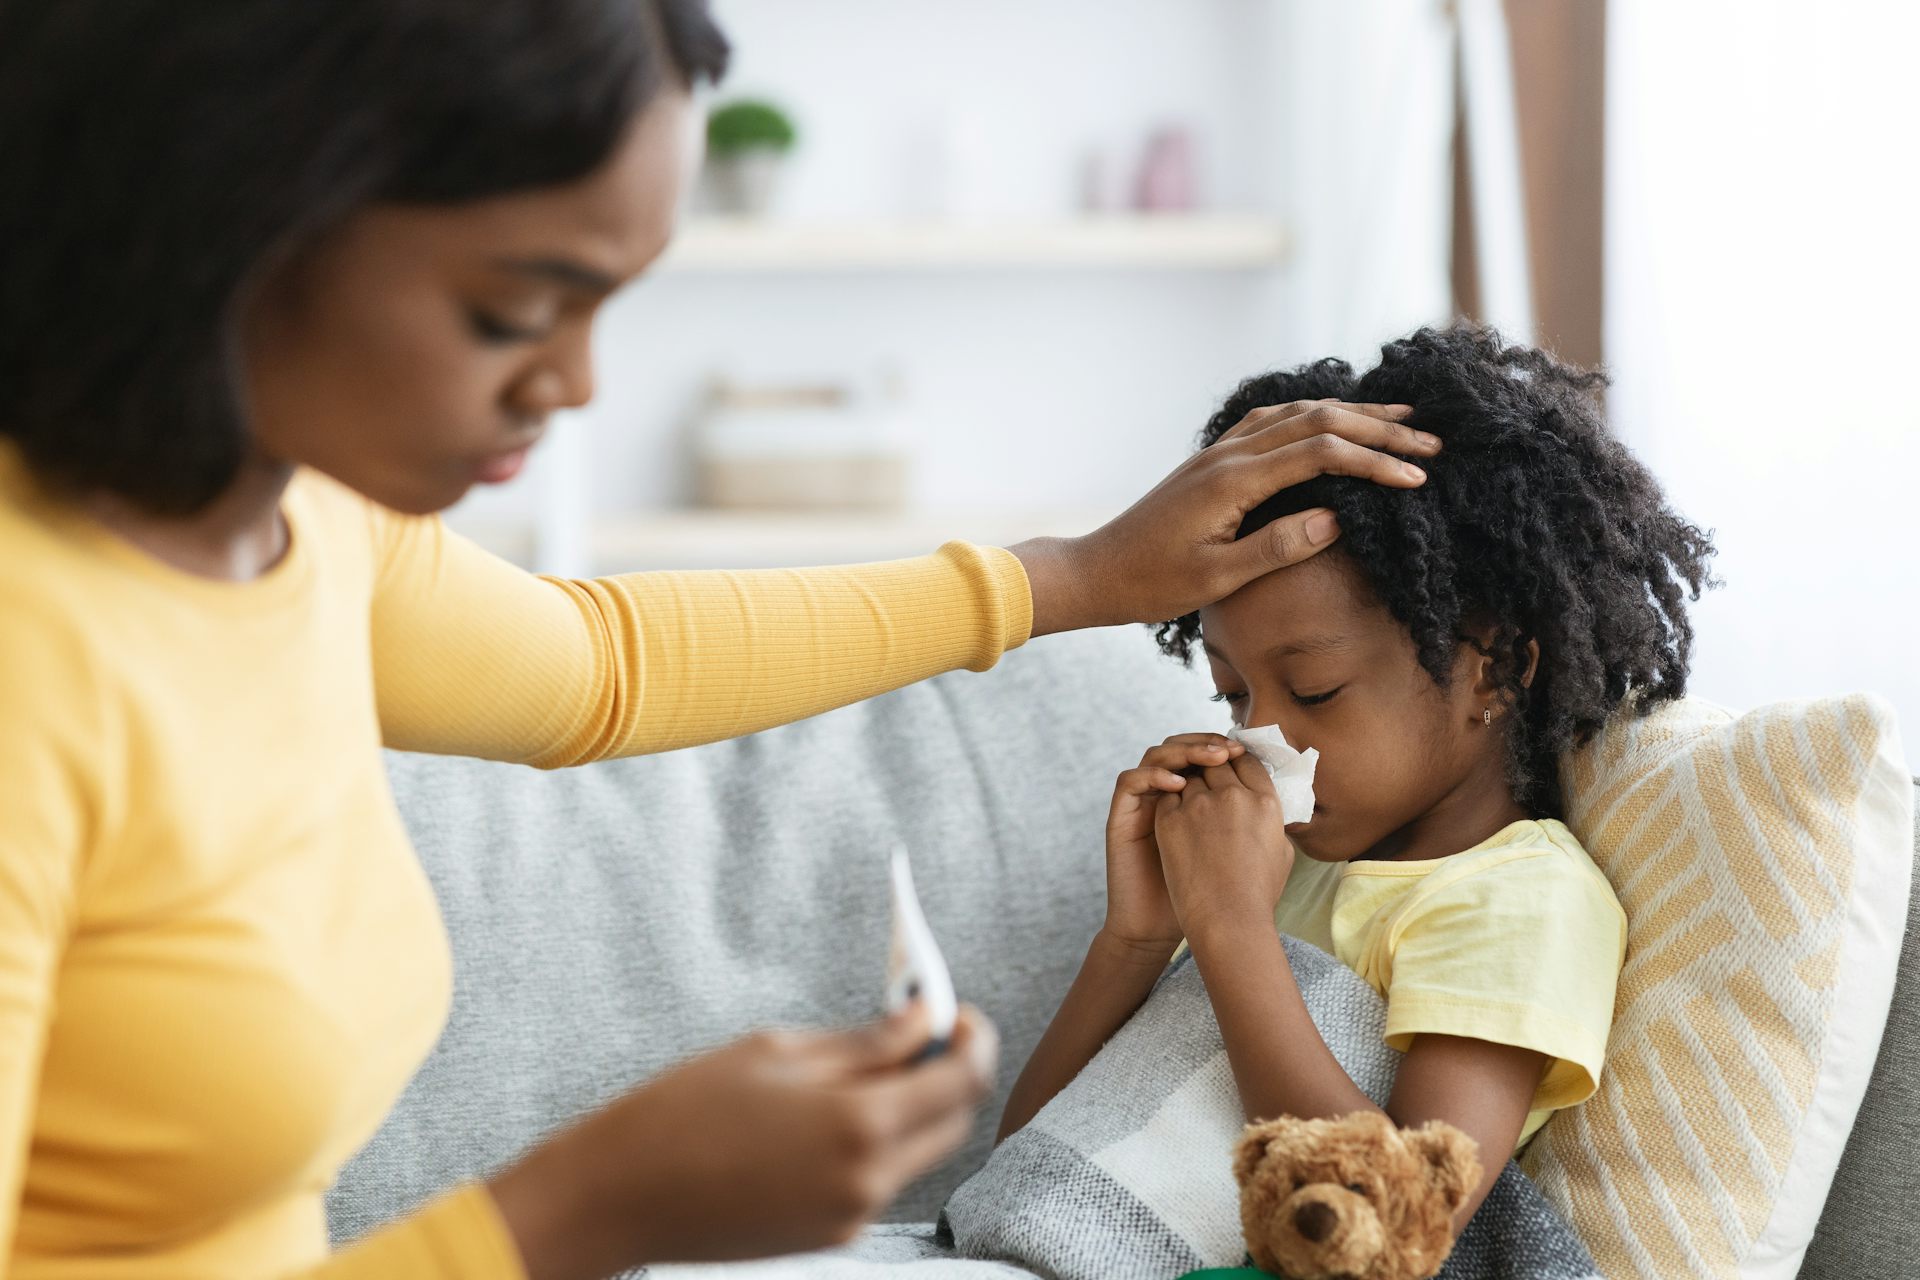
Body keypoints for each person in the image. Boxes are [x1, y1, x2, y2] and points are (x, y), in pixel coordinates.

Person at [0, 3, 1444, 1277]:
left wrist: (1077, 574)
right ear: (235, 209)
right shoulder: (38, 658)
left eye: (604, 305)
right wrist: (587, 1210)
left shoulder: (296, 520)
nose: (573, 382)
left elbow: (599, 667)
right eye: (513, 309)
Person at [999, 326, 1716, 1229]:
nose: (1261, 737)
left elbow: (1398, 1222)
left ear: (1494, 668)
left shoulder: (1520, 901)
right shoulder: (1286, 870)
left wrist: (1229, 930)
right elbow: (1023, 1179)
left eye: (1314, 690)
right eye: (1233, 694)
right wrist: (1138, 941)